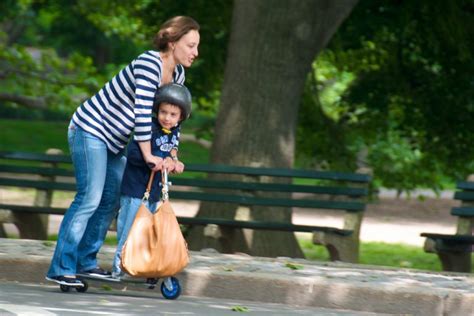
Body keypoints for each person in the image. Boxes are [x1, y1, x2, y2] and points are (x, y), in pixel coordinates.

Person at [46, 16, 200, 287]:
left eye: (196, 47)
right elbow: (142, 114)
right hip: (90, 129)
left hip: (115, 141)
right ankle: (61, 267)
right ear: (173, 42)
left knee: (113, 197)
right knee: (89, 198)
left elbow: (172, 121)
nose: (195, 52)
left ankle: (85, 263)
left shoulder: (177, 75)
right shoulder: (149, 64)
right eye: (190, 45)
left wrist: (171, 155)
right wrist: (149, 156)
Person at [112, 83, 191, 278]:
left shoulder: (174, 132)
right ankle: (119, 266)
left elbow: (171, 151)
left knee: (150, 230)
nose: (167, 117)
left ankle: (145, 264)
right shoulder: (148, 128)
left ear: (180, 117)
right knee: (130, 228)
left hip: (155, 190)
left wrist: (174, 162)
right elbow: (133, 154)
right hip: (135, 189)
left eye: (173, 115)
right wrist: (151, 161)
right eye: (163, 112)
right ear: (157, 110)